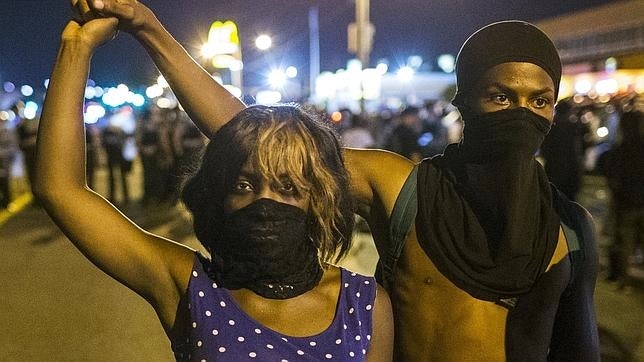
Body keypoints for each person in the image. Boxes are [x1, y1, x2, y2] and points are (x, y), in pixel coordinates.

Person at [85, 1, 599, 360]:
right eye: (500, 97)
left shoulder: (570, 230)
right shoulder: (405, 190)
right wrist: (149, 29)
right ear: (464, 102)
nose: (520, 113)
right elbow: (255, 137)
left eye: (539, 101)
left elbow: (579, 349)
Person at [34, 5, 392, 361]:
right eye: (244, 186)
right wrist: (76, 46)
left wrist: (146, 27)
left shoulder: (364, 304)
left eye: (287, 187)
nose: (265, 202)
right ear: (218, 196)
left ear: (318, 199)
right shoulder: (190, 286)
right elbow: (61, 189)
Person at [600, 109, 644, 290]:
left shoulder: (621, 149)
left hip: (626, 203)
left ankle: (623, 281)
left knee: (624, 241)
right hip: (639, 201)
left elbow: (612, 174)